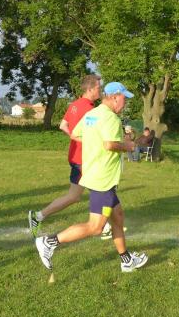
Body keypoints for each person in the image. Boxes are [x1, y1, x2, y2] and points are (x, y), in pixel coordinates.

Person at [34, 82, 148, 273]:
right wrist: (128, 146)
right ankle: (49, 242)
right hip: (103, 179)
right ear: (114, 97)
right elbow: (109, 145)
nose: (125, 102)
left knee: (117, 217)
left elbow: (76, 134)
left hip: (95, 174)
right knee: (95, 227)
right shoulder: (111, 118)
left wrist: (95, 144)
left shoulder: (92, 115)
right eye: (124, 98)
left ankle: (126, 260)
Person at [28, 75, 104, 236]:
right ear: (90, 89)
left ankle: (38, 216)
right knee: (102, 190)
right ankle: (106, 227)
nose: (101, 90)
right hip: (84, 158)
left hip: (75, 156)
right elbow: (92, 134)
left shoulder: (74, 105)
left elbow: (63, 126)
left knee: (74, 196)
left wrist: (74, 138)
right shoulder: (90, 109)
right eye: (99, 87)